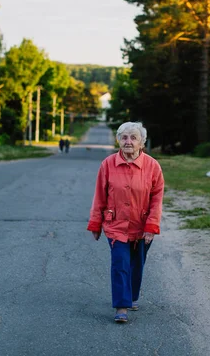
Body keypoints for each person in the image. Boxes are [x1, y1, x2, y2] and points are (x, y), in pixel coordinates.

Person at [87, 122, 164, 323]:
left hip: (141, 225)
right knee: (121, 263)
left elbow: (157, 199)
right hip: (116, 225)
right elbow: (99, 196)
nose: (128, 142)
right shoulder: (107, 164)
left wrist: (151, 226)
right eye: (124, 137)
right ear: (118, 141)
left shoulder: (153, 166)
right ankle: (122, 306)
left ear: (142, 142)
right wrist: (96, 223)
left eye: (133, 138)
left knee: (137, 263)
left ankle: (132, 296)